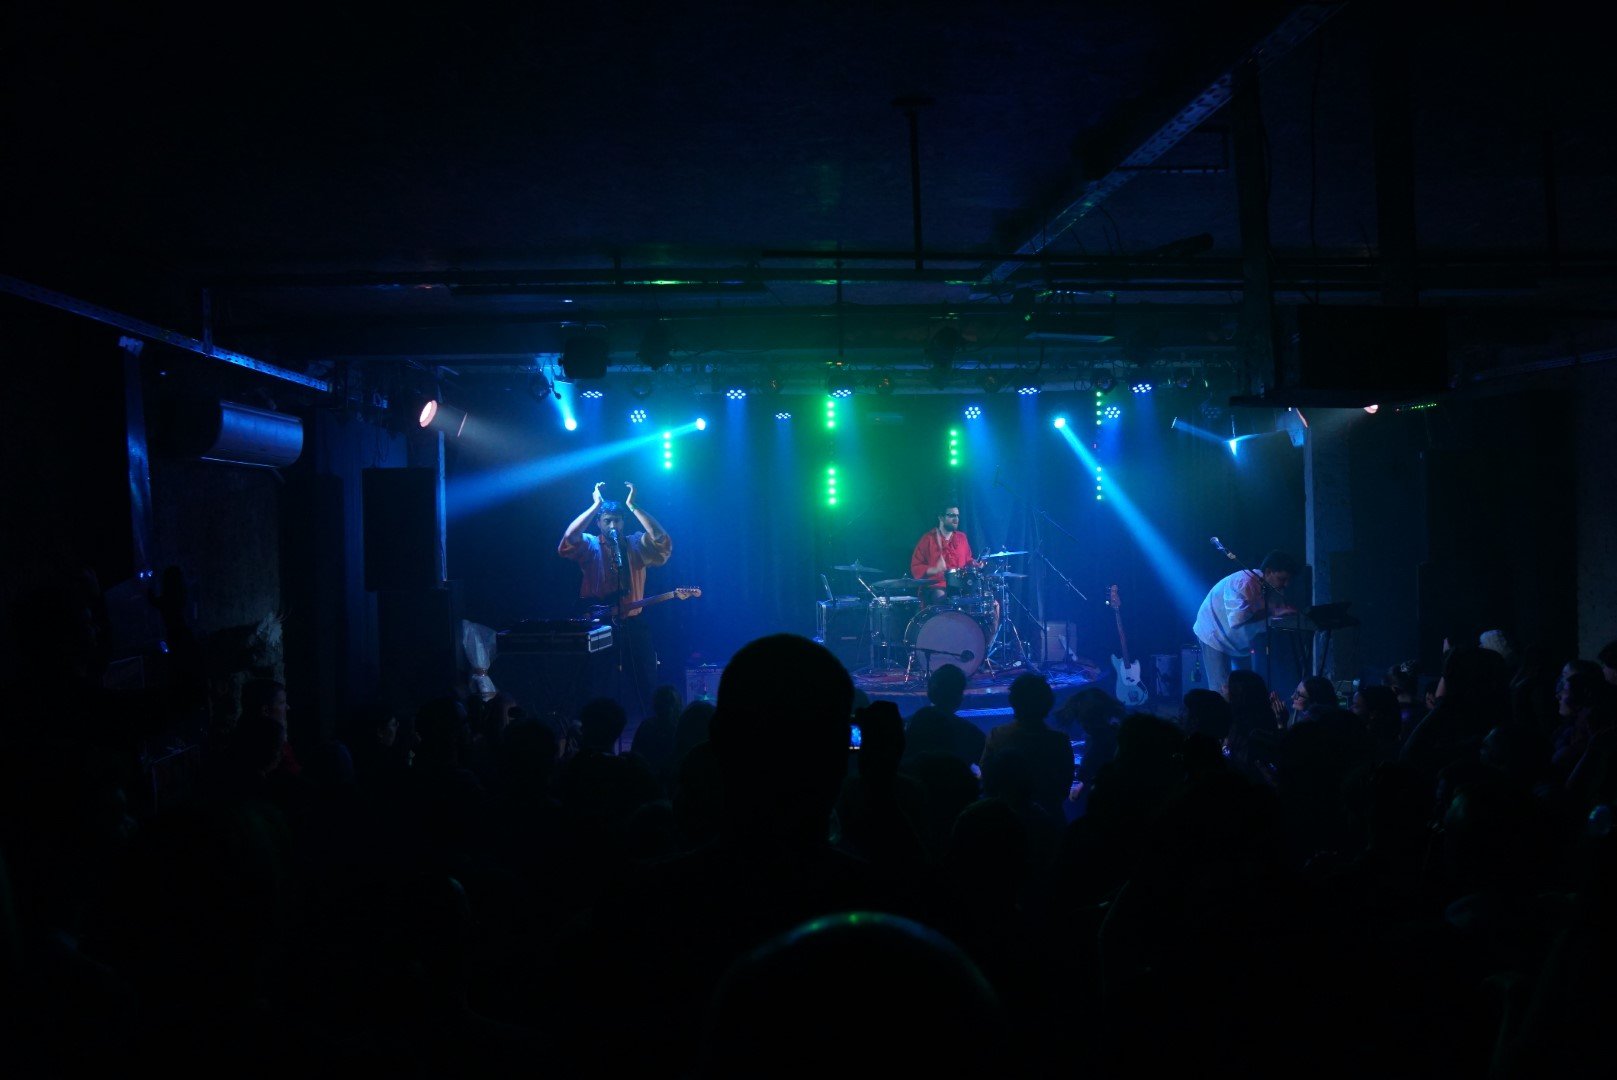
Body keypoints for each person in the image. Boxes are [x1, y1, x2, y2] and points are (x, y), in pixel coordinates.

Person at [558, 480, 673, 715]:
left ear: (623, 522)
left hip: (633, 623)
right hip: (599, 624)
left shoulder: (635, 543)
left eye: (617, 521)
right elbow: (570, 537)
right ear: (599, 522)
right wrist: (595, 506)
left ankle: (655, 726)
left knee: (646, 679)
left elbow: (660, 538)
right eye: (607, 520)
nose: (613, 525)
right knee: (598, 682)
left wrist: (633, 506)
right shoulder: (591, 544)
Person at [1191, 549, 1299, 696]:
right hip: (1214, 634)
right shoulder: (1244, 582)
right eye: (1282, 579)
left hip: (1239, 643)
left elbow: (1270, 617)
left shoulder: (1274, 589)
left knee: (1246, 687)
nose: (1286, 584)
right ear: (1268, 572)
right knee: (1222, 690)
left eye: (1288, 580)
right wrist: (1272, 612)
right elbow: (1238, 619)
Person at [909, 502, 984, 605]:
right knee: (941, 596)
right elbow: (916, 567)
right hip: (936, 587)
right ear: (941, 518)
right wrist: (935, 569)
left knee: (989, 602)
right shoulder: (928, 539)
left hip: (960, 586)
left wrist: (974, 564)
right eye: (952, 515)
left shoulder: (962, 538)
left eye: (957, 516)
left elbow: (967, 560)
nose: (956, 519)